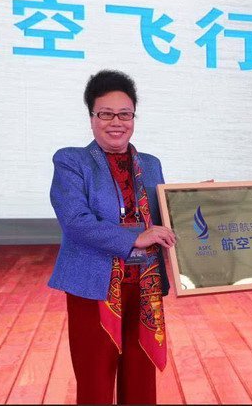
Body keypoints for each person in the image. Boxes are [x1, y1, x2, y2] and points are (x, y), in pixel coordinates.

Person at [48, 69, 176, 404]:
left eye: (125, 114)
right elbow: (75, 222)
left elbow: (164, 214)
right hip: (95, 286)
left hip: (145, 286)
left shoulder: (150, 163)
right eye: (106, 114)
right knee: (95, 382)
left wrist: (196, 203)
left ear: (134, 117)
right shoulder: (71, 160)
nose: (116, 122)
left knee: (141, 381)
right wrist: (136, 236)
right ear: (91, 117)